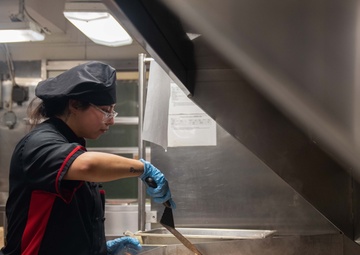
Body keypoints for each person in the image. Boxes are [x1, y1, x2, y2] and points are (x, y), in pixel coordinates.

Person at [1, 61, 175, 255]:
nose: (111, 120)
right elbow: (88, 165)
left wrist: (99, 249)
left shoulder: (72, 146)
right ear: (75, 104)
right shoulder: (39, 144)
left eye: (113, 111)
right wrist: (143, 169)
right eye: (105, 110)